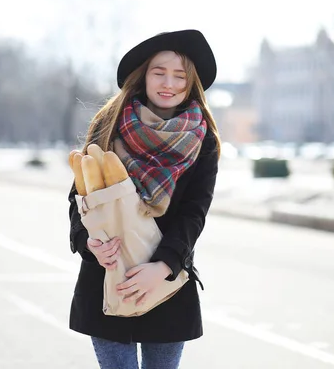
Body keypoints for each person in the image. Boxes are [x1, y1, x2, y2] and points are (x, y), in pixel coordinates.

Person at [67, 29, 221, 369]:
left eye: (179, 76)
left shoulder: (202, 137)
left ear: (190, 81)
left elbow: (195, 212)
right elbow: (80, 198)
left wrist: (163, 267)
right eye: (159, 72)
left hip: (165, 281)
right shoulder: (110, 125)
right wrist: (89, 244)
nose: (168, 83)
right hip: (109, 279)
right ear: (144, 76)